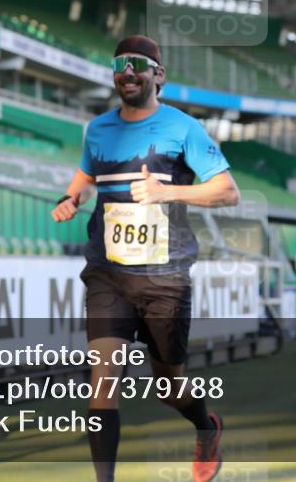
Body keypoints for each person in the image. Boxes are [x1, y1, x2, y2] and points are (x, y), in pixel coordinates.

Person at [51, 35, 240, 482]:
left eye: (137, 64)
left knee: (168, 387)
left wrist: (166, 192)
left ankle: (205, 426)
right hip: (108, 272)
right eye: (120, 65)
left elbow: (227, 192)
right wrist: (71, 197)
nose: (128, 72)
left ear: (159, 75)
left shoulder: (184, 128)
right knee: (102, 383)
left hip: (164, 276)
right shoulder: (98, 129)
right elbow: (87, 173)